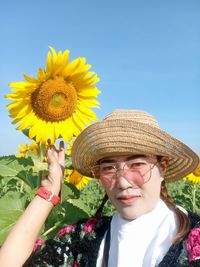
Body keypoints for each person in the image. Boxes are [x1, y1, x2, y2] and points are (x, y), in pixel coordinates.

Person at [0, 109, 199, 267]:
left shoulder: (193, 238)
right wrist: (49, 192)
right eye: (109, 168)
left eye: (137, 164)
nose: (122, 182)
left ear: (162, 167)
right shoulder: (87, 238)